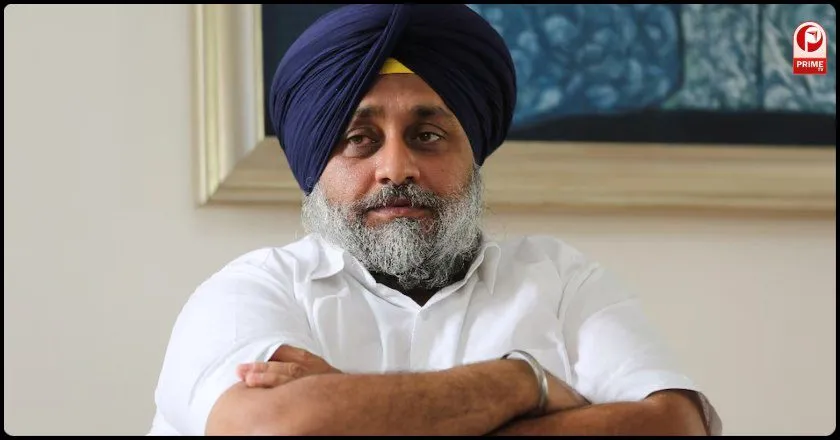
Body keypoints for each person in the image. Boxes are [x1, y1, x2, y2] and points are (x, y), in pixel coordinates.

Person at [148, 4, 721, 436]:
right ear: (317, 167)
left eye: (427, 135)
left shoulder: (561, 282)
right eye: (359, 139)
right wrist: (522, 383)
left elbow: (674, 426)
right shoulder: (252, 291)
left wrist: (350, 410)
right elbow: (271, 428)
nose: (396, 168)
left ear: (473, 154)